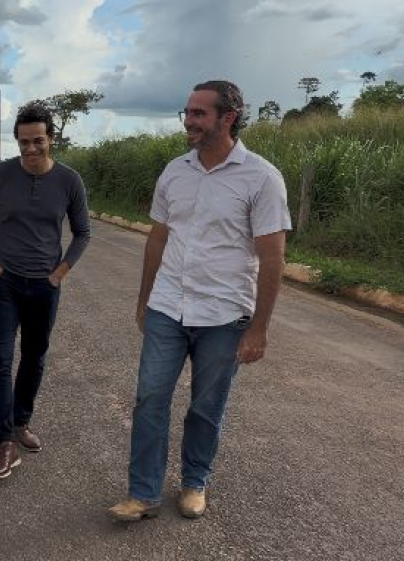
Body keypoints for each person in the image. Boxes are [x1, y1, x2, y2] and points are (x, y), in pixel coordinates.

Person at [108, 80, 291, 522]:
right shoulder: (174, 171)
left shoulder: (262, 177)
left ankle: (194, 482)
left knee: (207, 406)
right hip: (168, 306)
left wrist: (259, 328)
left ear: (227, 118)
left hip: (224, 315)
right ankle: (143, 492)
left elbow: (272, 257)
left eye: (199, 114)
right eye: (186, 113)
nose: (188, 122)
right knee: (150, 397)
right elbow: (157, 238)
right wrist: (144, 299)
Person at [0, 101, 91, 479]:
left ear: (52, 138)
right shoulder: (1, 175)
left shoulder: (69, 181)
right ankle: (4, 442)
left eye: (38, 141)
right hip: (2, 284)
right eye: (23, 142)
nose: (30, 149)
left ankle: (21, 422)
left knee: (34, 357)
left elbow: (83, 231)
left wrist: (61, 272)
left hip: (44, 287)